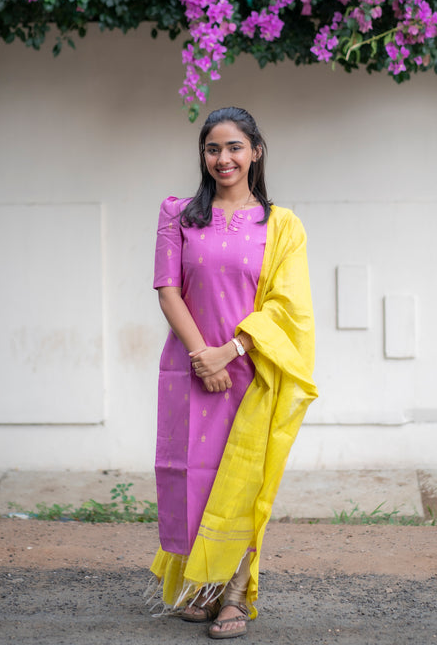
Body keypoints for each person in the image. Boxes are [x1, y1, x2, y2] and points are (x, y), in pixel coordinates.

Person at [149, 106, 317, 639]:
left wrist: (232, 351)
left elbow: (287, 307)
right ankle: (203, 587)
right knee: (193, 478)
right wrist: (203, 355)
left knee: (244, 483)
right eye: (213, 149)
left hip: (250, 372)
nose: (223, 159)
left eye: (234, 147)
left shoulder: (281, 225)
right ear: (203, 156)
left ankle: (236, 596)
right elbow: (168, 290)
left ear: (256, 151)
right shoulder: (178, 214)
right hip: (189, 368)